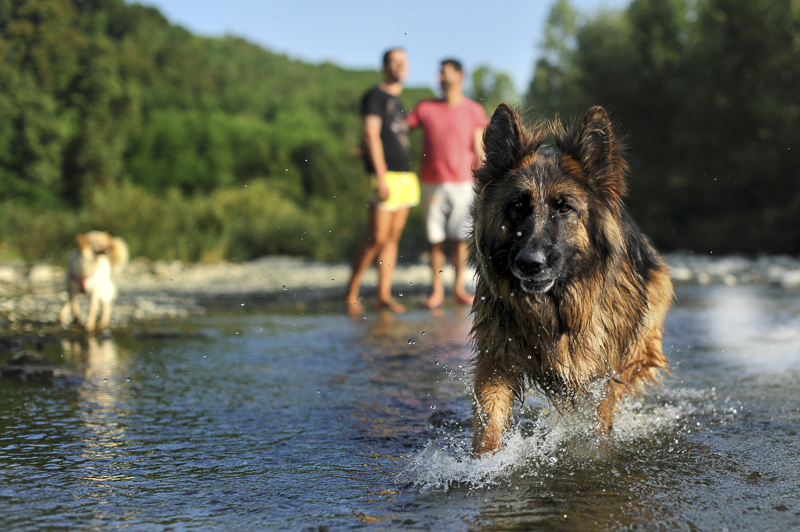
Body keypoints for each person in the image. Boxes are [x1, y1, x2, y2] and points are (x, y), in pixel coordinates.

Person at [407, 58, 488, 309]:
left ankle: (459, 289)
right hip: (432, 181)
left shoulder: (474, 110)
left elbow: (479, 147)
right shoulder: (424, 108)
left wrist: (485, 175)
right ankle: (436, 291)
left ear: (459, 75)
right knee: (435, 239)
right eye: (439, 73)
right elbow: (400, 131)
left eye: (444, 73)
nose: (439, 77)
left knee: (459, 238)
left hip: (463, 182)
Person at [344, 48, 420, 314]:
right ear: (385, 67)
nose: (401, 66)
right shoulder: (374, 96)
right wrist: (380, 176)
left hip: (405, 175)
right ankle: (350, 293)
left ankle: (382, 295)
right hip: (384, 175)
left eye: (404, 62)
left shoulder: (400, 100)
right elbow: (371, 135)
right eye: (396, 62)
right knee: (376, 237)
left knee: (392, 238)